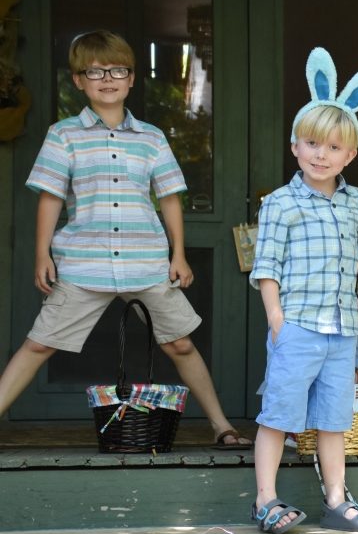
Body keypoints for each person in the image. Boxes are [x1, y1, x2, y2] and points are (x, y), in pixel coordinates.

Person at [0, 30, 251, 450]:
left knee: (182, 345)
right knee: (38, 344)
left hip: (146, 262)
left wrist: (179, 254)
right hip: (83, 263)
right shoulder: (63, 134)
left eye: (117, 69)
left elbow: (169, 199)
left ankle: (221, 426)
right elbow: (50, 197)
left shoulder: (152, 137)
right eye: (94, 71)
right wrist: (41, 251)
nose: (107, 78)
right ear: (79, 81)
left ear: (132, 78)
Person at [248, 47, 358, 534]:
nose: (321, 155)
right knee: (279, 415)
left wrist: (352, 273)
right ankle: (265, 499)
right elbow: (267, 267)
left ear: (350, 154)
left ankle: (335, 499)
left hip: (342, 328)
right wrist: (277, 321)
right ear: (295, 146)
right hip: (298, 325)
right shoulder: (280, 203)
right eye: (311, 144)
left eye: (332, 148)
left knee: (333, 420)